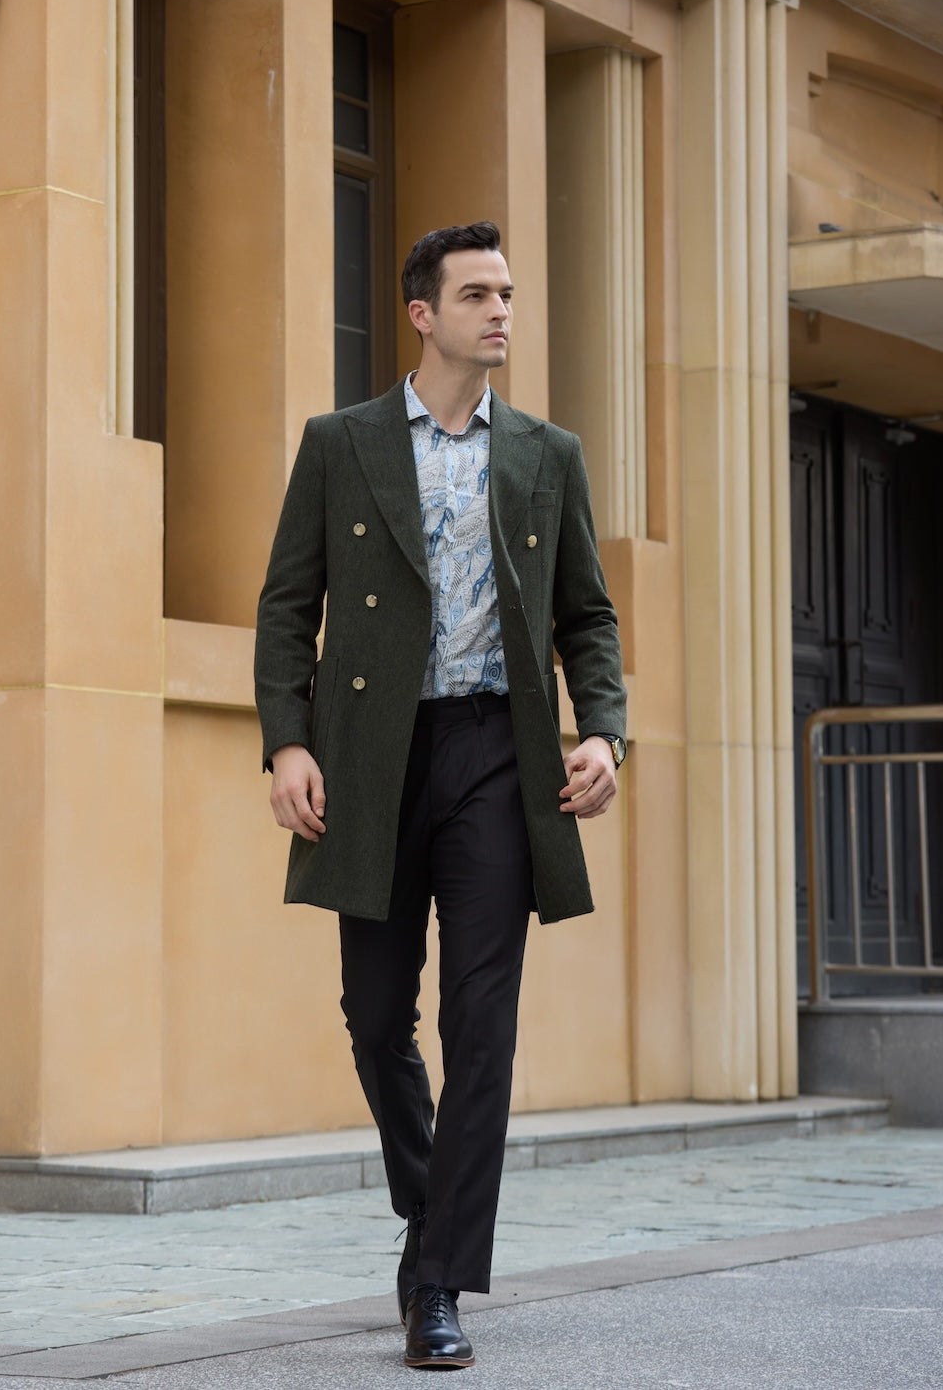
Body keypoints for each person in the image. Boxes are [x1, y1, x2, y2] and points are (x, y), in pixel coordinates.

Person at [254, 221, 627, 1369]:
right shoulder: (341, 443)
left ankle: (439, 1284)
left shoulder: (546, 455)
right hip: (371, 757)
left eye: (506, 292)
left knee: (482, 1023)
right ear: (422, 315)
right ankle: (431, 1212)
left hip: (495, 757)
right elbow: (287, 605)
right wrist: (287, 744)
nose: (500, 310)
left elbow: (586, 616)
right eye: (476, 294)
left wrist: (603, 732)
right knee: (376, 1019)